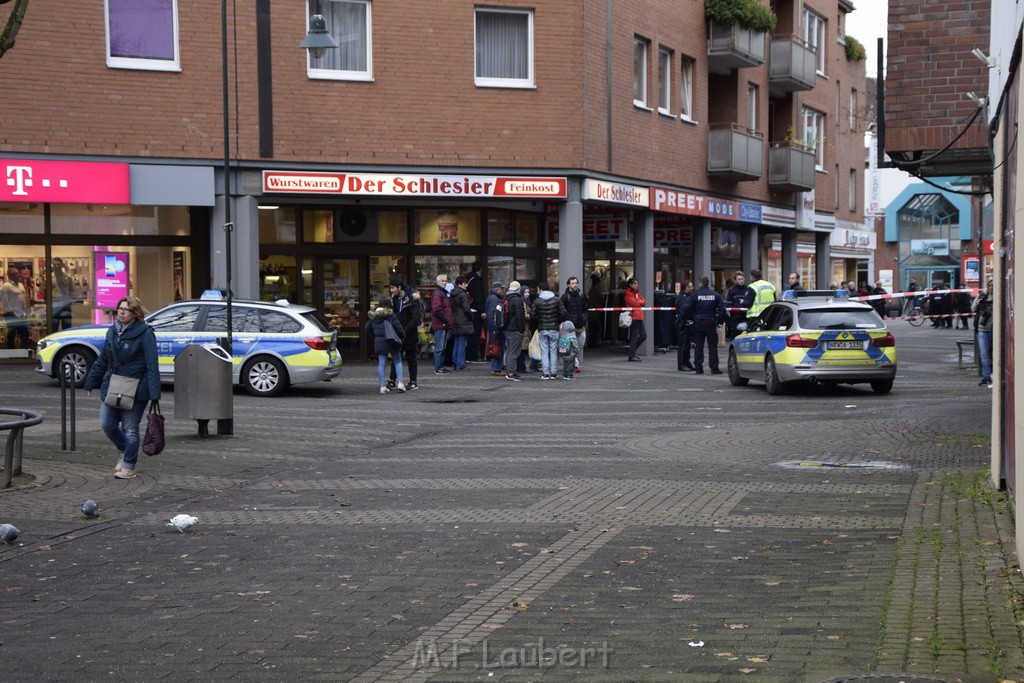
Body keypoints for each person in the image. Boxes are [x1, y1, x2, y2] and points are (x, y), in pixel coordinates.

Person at [83, 296, 160, 479]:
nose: (122, 312)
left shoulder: (145, 333)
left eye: (127, 309)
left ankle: (129, 466)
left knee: (130, 429)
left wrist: (154, 393)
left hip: (136, 387)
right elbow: (103, 359)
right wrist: (91, 381)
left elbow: (152, 364)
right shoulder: (112, 332)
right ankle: (126, 451)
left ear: (136, 313)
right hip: (113, 384)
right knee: (106, 423)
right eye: (120, 308)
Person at [683, 276, 727, 375]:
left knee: (699, 346)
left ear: (700, 283)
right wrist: (720, 322)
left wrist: (690, 319)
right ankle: (714, 367)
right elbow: (722, 310)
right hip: (710, 323)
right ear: (708, 283)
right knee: (712, 346)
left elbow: (686, 308)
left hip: (698, 323)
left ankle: (698, 367)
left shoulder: (695, 295)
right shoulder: (715, 294)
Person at [388, 278, 421, 390]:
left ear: (399, 288)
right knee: (396, 356)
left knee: (411, 357)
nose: (391, 290)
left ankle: (413, 381)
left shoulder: (412, 299)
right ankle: (392, 380)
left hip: (410, 333)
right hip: (398, 333)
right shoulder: (395, 299)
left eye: (393, 288)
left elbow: (415, 318)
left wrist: (405, 331)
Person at [365, 303, 405, 394]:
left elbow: (367, 328)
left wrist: (375, 336)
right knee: (397, 361)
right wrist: (402, 336)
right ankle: (400, 383)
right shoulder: (390, 315)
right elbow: (398, 327)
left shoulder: (373, 317)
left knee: (381, 364)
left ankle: (382, 386)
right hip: (392, 341)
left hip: (380, 342)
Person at [531, 280, 567, 380]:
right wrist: (557, 321)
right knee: (553, 351)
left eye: (538, 289)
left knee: (544, 351)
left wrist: (539, 322)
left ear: (541, 290)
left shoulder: (537, 301)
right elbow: (563, 313)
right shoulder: (556, 299)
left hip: (542, 328)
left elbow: (532, 315)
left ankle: (546, 374)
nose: (537, 291)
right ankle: (554, 373)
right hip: (554, 328)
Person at [560, 276, 588, 373]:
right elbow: (562, 311)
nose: (575, 285)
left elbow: (585, 308)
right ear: (568, 285)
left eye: (576, 283)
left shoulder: (581, 295)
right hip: (571, 327)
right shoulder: (565, 296)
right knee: (572, 346)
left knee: (579, 345)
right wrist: (566, 321)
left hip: (580, 325)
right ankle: (575, 365)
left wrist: (584, 318)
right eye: (573, 283)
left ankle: (573, 363)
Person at [502, 281, 526, 381]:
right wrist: (522, 329)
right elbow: (520, 316)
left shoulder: (505, 298)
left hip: (506, 328)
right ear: (517, 289)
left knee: (509, 351)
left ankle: (509, 371)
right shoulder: (517, 300)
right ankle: (511, 373)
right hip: (515, 329)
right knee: (514, 352)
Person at [0, 266, 30, 350]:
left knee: (24, 333)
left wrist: (26, 311)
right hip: (11, 313)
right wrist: (10, 312)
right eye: (16, 274)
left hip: (21, 313)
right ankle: (12, 353)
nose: (19, 275)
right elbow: (5, 300)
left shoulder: (20, 285)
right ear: (11, 275)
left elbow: (23, 298)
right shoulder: (6, 286)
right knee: (12, 334)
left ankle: (24, 351)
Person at [430, 274, 453, 374]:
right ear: (438, 282)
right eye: (442, 281)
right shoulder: (438, 293)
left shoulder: (442, 293)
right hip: (441, 324)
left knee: (442, 346)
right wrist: (445, 320)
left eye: (445, 281)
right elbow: (436, 309)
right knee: (440, 347)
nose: (444, 282)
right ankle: (438, 367)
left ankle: (441, 366)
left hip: (443, 323)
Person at [449, 275, 474, 371]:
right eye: (465, 283)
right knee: (462, 343)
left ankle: (455, 362)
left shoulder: (453, 293)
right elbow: (466, 308)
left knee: (457, 342)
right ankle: (460, 364)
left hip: (455, 319)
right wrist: (471, 316)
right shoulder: (463, 294)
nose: (466, 285)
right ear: (460, 284)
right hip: (463, 320)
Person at [973, 278, 993, 387]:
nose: (991, 287)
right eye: (990, 285)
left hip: (994, 328)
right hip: (982, 328)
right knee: (984, 354)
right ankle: (986, 376)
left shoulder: (1000, 295)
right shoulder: (982, 296)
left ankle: (994, 375)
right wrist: (978, 302)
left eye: (994, 285)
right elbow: (973, 308)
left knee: (994, 354)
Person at [484, 282, 507, 376]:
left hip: (494, 327)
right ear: (498, 289)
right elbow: (492, 315)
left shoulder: (493, 298)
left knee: (496, 346)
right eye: (502, 289)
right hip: (496, 327)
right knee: (497, 347)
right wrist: (495, 327)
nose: (503, 291)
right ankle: (496, 368)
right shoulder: (494, 299)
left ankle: (497, 367)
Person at [465, 262, 486, 362]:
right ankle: (473, 356)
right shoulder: (476, 280)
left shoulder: (468, 278)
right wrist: (482, 310)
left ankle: (468, 356)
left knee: (469, 335)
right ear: (480, 269)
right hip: (475, 310)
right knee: (475, 334)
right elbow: (478, 296)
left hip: (468, 309)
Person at [725, 271, 754, 341]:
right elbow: (729, 304)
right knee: (736, 338)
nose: (741, 281)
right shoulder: (732, 291)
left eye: (742, 279)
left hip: (746, 316)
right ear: (735, 280)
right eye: (739, 279)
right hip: (736, 317)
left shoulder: (748, 289)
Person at [624, 276, 647, 361]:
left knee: (643, 336)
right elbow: (635, 303)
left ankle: (632, 352)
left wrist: (639, 301)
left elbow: (644, 301)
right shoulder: (628, 293)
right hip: (633, 316)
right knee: (634, 336)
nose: (636, 285)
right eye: (635, 283)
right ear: (630, 284)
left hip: (639, 316)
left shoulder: (637, 293)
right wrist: (639, 301)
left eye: (637, 283)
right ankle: (631, 355)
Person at [674, 280, 696, 372]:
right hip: (683, 323)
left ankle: (687, 362)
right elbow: (684, 310)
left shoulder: (690, 296)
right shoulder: (682, 298)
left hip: (689, 323)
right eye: (690, 286)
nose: (692, 287)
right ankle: (681, 364)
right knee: (682, 345)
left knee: (687, 344)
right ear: (686, 288)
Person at [587, 273, 605, 348]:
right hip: (595, 312)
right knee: (596, 327)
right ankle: (593, 342)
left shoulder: (591, 290)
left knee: (594, 327)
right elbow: (600, 300)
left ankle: (592, 342)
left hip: (593, 312)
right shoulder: (595, 291)